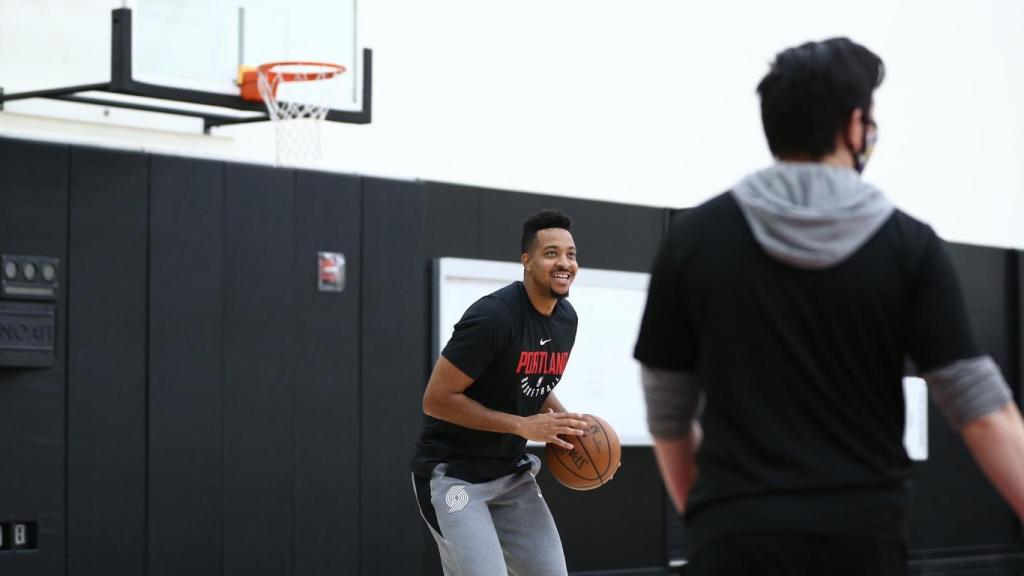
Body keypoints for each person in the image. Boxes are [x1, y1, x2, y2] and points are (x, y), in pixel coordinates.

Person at [634, 37, 1024, 576]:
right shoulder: (909, 244)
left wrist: (714, 521)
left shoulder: (693, 239)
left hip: (733, 536)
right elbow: (983, 412)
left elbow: (667, 415)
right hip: (863, 539)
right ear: (854, 125)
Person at [411, 208, 588, 576]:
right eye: (551, 253)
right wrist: (522, 426)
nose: (564, 263)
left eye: (570, 254)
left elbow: (531, 380)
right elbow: (436, 400)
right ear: (527, 261)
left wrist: (564, 420)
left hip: (511, 476)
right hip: (454, 475)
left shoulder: (566, 319)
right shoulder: (494, 317)